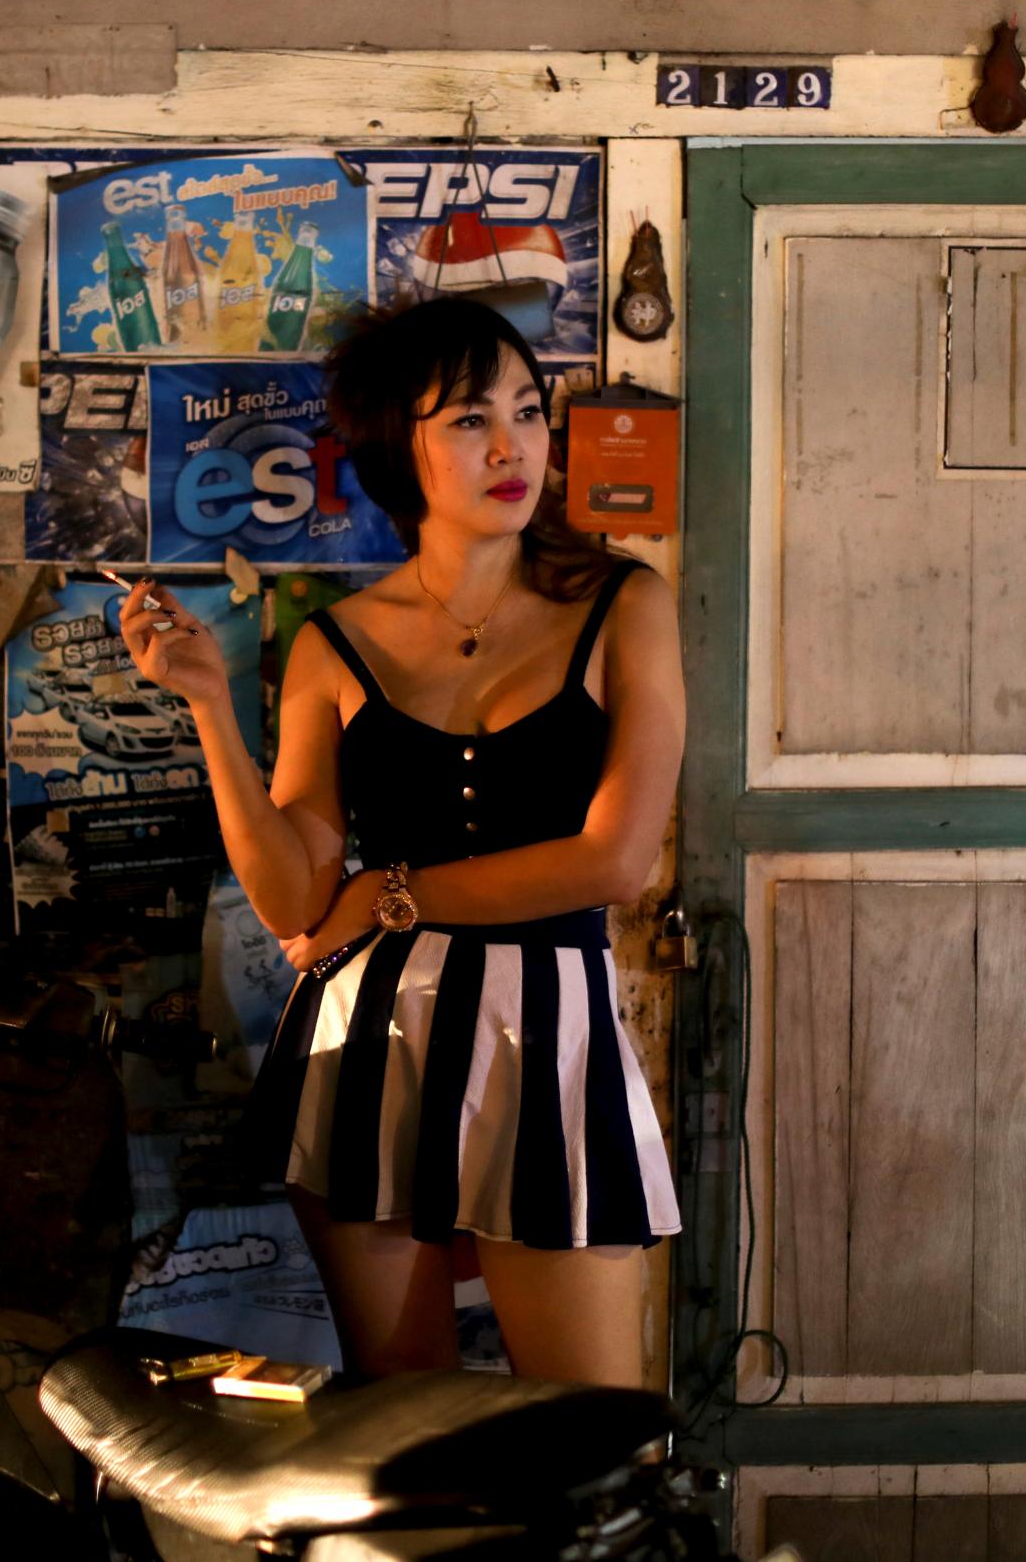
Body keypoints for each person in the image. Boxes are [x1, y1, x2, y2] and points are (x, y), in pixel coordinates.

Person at [116, 296, 682, 1388]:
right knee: (398, 1431)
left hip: (552, 1045)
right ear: (397, 450)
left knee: (593, 1436)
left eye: (527, 409)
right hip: (367, 1047)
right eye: (469, 420)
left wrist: (390, 892)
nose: (513, 444)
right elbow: (292, 900)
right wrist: (207, 707)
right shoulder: (335, 640)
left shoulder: (624, 601)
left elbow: (614, 862)